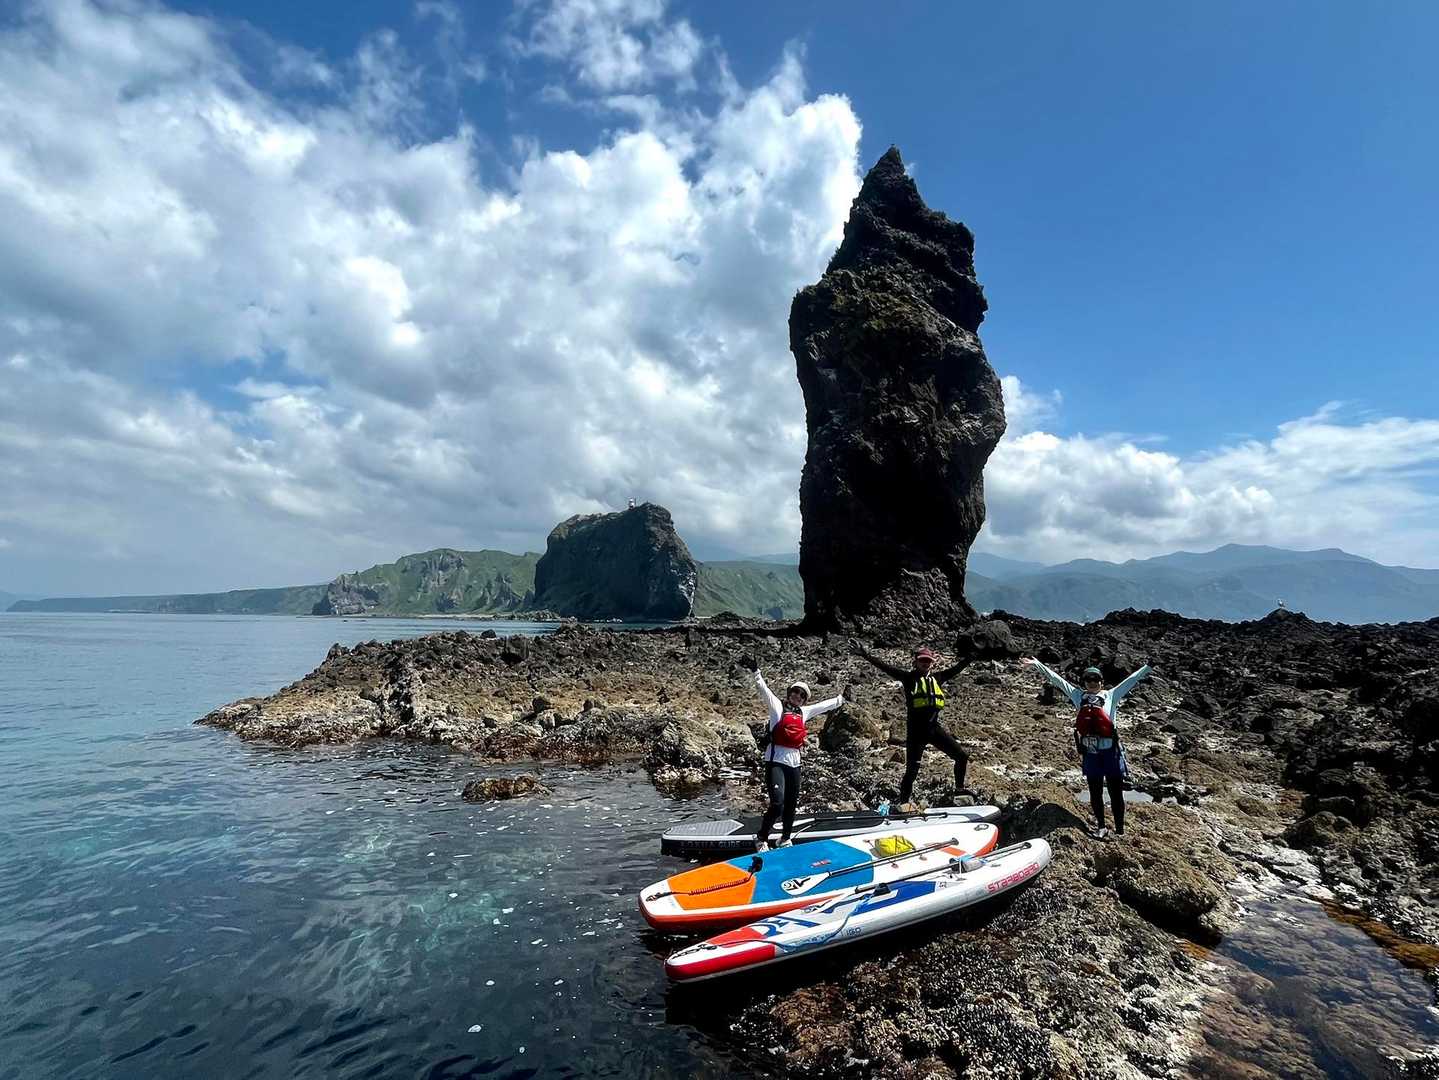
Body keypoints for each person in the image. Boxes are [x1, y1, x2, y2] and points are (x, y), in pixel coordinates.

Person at [1021, 658, 1151, 838]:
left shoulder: (1112, 695)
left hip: (1111, 752)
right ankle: (1101, 827)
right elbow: (1057, 680)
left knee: (1115, 793)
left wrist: (1148, 666)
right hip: (1091, 753)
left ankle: (1120, 831)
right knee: (1095, 793)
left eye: (1095, 679)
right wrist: (1037, 664)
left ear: (1101, 681)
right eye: (1088, 679)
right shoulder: (1078, 696)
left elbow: (1132, 679)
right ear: (1084, 682)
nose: (1092, 682)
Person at [851, 642, 974, 808]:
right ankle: (903, 804)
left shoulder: (938, 678)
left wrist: (971, 657)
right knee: (911, 771)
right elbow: (886, 667)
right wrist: (865, 655)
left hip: (934, 730)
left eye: (928, 660)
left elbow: (956, 669)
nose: (925, 663)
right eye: (922, 660)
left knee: (962, 756)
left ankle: (959, 790)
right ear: (915, 662)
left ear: (932, 663)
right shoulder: (909, 678)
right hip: (916, 733)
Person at [745, 656, 845, 852]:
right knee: (777, 804)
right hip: (775, 761)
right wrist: (756, 672)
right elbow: (764, 690)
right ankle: (761, 837)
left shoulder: (804, 712)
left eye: (802, 695)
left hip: (795, 763)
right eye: (795, 692)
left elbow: (825, 705)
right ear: (789, 693)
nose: (798, 696)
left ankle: (785, 839)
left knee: (791, 805)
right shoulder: (777, 707)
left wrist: (842, 699)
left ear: (804, 699)